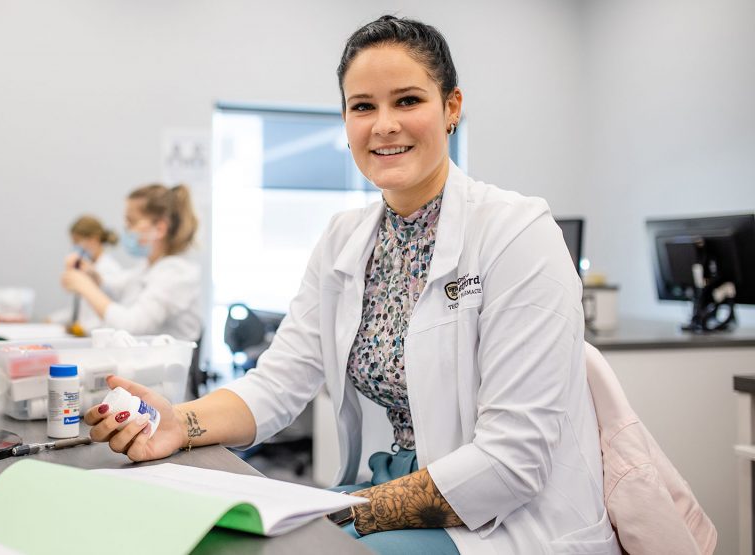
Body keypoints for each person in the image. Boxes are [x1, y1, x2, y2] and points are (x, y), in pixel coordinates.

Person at [83, 16, 617, 555]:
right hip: (395, 484)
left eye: (407, 100)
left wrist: (345, 512)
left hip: (507, 520)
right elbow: (277, 384)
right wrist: (180, 422)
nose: (383, 125)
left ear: (452, 107)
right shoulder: (345, 239)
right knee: (214, 541)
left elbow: (512, 462)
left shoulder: (517, 232)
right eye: (363, 106)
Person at [61, 184, 202, 341]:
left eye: (132, 222)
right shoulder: (147, 268)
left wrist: (85, 286)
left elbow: (131, 326)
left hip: (169, 363)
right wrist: (95, 278)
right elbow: (120, 288)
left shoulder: (177, 274)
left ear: (160, 229)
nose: (127, 230)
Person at [51, 215, 131, 333]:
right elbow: (82, 309)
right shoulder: (87, 267)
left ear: (94, 239)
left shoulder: (110, 269)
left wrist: (82, 329)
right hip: (85, 333)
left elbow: (109, 311)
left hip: (99, 334)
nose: (74, 247)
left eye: (77, 241)